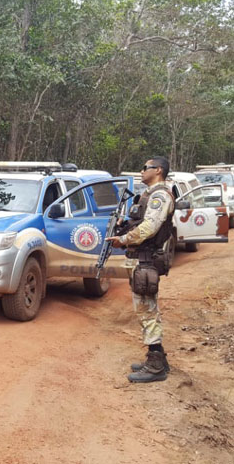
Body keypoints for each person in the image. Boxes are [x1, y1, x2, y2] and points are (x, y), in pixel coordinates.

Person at [107, 156, 175, 383]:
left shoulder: (159, 195)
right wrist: (124, 227)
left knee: (147, 310)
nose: (141, 171)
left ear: (158, 170)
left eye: (145, 167)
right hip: (140, 259)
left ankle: (155, 367)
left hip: (146, 260)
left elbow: (150, 227)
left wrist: (124, 239)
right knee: (146, 308)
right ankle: (158, 359)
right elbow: (140, 223)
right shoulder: (148, 195)